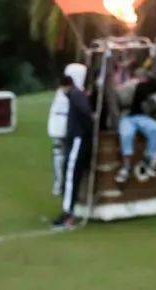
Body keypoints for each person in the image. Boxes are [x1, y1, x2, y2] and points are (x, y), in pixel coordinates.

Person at [115, 61, 156, 184]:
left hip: (142, 117)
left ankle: (148, 159)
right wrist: (129, 88)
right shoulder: (128, 86)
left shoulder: (152, 86)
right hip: (127, 117)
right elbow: (120, 99)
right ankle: (126, 167)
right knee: (126, 134)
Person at [53, 71, 93, 230]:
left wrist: (84, 133)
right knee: (70, 175)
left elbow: (85, 114)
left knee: (70, 175)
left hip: (78, 139)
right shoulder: (77, 95)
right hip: (78, 139)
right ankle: (68, 210)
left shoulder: (76, 96)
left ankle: (68, 213)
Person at [47, 62, 87, 196]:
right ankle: (62, 184)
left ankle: (59, 184)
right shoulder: (75, 93)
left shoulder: (63, 91)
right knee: (66, 156)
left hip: (57, 125)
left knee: (59, 153)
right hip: (67, 127)